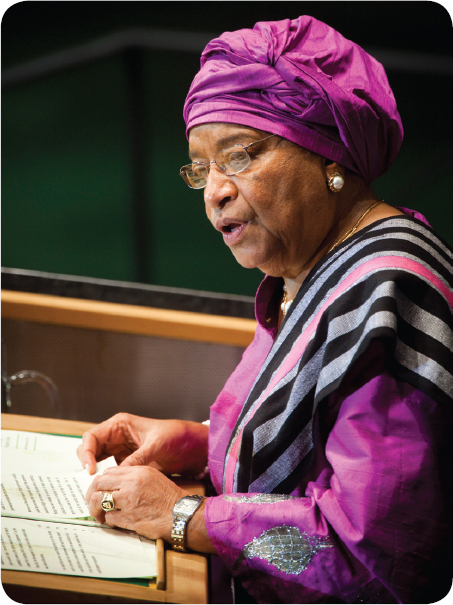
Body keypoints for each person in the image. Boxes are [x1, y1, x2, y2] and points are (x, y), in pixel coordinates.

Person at [78, 15, 452, 604]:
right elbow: (313, 449)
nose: (215, 192)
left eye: (241, 156)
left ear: (330, 156)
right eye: (202, 168)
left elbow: (369, 562)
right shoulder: (315, 267)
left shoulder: (385, 292)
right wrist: (200, 443)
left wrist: (187, 518)